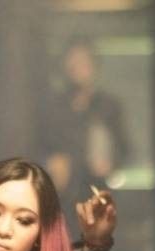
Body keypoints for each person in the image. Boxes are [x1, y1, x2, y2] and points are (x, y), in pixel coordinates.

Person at [41, 37, 131, 205]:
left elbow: (124, 148)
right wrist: (50, 163)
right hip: (61, 195)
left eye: (83, 61)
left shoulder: (109, 107)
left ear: (94, 65)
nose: (78, 67)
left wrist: (110, 163)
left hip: (97, 192)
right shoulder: (52, 108)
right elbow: (40, 146)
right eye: (73, 62)